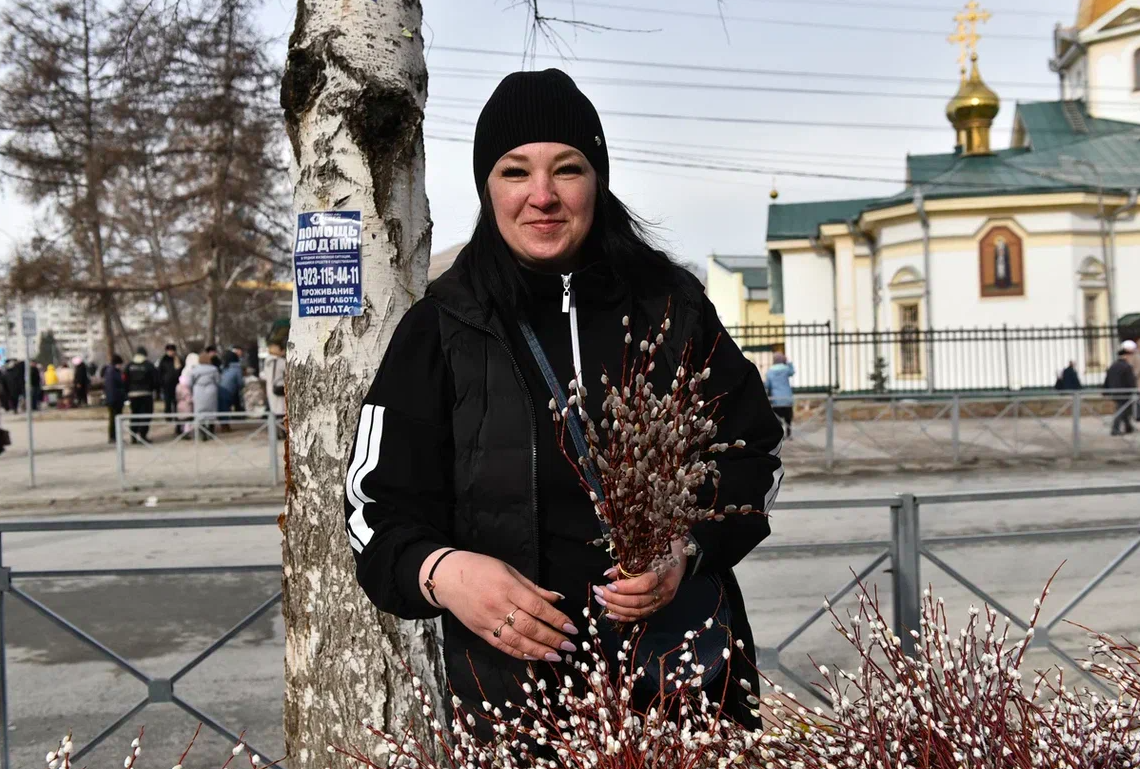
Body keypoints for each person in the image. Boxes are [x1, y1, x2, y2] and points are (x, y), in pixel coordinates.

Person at [341, 69, 785, 736]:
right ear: (487, 187)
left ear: (597, 180)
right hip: (518, 707)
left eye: (567, 169)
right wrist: (446, 573)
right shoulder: (443, 326)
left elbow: (756, 454)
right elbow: (373, 509)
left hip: (684, 688)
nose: (542, 196)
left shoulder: (672, 308)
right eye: (515, 171)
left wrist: (687, 548)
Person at [125, 346, 160, 443]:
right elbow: (155, 380)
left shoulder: (129, 365)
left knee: (134, 415)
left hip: (132, 394)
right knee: (146, 415)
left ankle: (133, 436)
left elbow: (125, 380)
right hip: (146, 394)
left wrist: (127, 391)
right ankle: (143, 435)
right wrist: (154, 390)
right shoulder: (149, 365)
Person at [1105, 344, 1138, 436]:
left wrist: (1105, 390)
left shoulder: (1113, 366)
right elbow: (1131, 381)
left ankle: (1128, 427)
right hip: (1124, 392)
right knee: (1121, 410)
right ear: (1126, 356)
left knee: (1124, 410)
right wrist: (1134, 390)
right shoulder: (1127, 366)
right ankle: (1115, 429)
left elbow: (1107, 379)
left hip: (1114, 392)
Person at [189, 351, 221, 436]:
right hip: (211, 390)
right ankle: (211, 431)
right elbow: (218, 380)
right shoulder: (213, 369)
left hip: (198, 390)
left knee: (199, 411)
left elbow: (190, 382)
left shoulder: (195, 369)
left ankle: (202, 432)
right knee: (211, 411)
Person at [765, 353, 796, 439]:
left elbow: (767, 385)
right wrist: (788, 362)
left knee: (778, 418)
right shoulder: (786, 369)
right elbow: (792, 372)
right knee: (788, 418)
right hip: (787, 398)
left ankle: (780, 435)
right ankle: (789, 434)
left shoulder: (769, 372)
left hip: (776, 399)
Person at [102, 354, 127, 443]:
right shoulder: (113, 372)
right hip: (115, 399)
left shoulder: (111, 371)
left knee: (114, 419)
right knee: (114, 419)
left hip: (113, 399)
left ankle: (115, 436)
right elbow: (116, 386)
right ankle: (114, 437)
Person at [261, 339, 286, 424]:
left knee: (275, 411)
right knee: (282, 410)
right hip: (280, 388)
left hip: (271, 388)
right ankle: (282, 430)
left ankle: (276, 429)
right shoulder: (281, 362)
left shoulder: (267, 361)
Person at [218, 350, 244, 427]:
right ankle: (225, 425)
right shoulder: (237, 368)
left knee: (222, 407)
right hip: (230, 390)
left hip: (220, 388)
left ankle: (223, 424)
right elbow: (240, 382)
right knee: (226, 407)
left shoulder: (223, 367)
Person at [158, 344, 183, 415]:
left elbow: (181, 371)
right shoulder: (163, 360)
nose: (171, 352)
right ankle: (168, 416)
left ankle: (176, 415)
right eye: (169, 351)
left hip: (177, 384)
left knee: (176, 402)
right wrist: (162, 383)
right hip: (167, 385)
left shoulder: (178, 360)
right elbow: (160, 372)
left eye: (172, 350)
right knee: (167, 402)